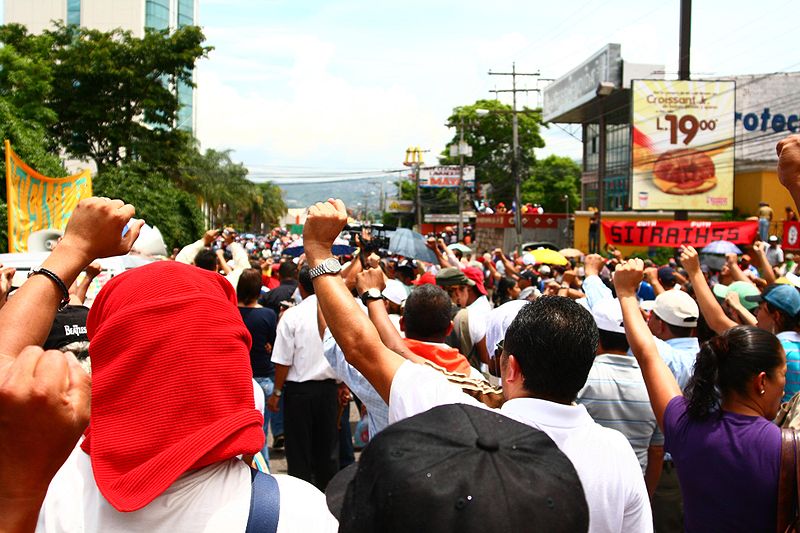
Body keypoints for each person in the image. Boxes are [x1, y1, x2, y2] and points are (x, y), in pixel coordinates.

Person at [303, 198, 652, 533]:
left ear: (511, 367)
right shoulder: (618, 454)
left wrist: (319, 251)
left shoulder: (454, 417)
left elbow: (362, 348)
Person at [615, 258, 784, 533]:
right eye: (783, 376)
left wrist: (625, 294)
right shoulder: (785, 446)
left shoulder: (686, 427)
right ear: (762, 382)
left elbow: (648, 356)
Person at [576, 298, 663, 497]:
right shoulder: (652, 382)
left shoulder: (583, 378)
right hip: (634, 489)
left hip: (587, 489)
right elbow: (657, 451)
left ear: (595, 338)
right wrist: (646, 496)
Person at [268, 266, 340, 491]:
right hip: (328, 390)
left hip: (299, 393)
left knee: (299, 452)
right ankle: (327, 502)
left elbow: (283, 360)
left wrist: (277, 393)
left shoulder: (292, 316)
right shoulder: (334, 313)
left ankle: (302, 503)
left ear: (300, 287)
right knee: (327, 451)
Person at [237, 268, 280, 461]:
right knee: (260, 436)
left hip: (238, 379)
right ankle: (263, 477)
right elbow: (275, 343)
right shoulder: (269, 315)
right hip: (263, 376)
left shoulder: (231, 312)